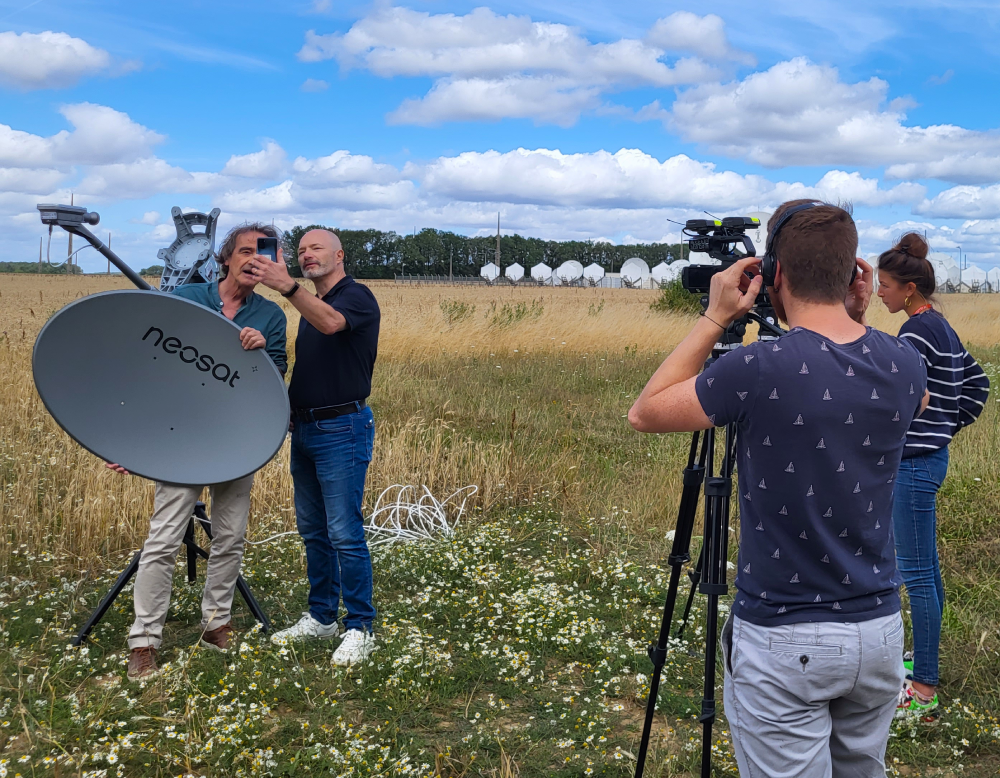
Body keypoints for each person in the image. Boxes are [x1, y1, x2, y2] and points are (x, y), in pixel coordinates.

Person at [629, 200, 930, 777]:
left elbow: (645, 412)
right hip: (879, 629)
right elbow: (897, 392)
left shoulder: (760, 367)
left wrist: (715, 317)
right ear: (854, 275)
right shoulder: (903, 361)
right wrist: (858, 320)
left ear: (775, 275)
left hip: (785, 633)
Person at [111, 223, 288, 681]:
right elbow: (150, 370)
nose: (255, 259)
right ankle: (144, 641)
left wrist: (261, 352)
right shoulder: (188, 301)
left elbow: (274, 385)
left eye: (264, 253)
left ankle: (216, 624)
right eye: (245, 251)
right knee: (164, 538)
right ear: (226, 257)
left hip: (235, 438)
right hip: (181, 436)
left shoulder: (271, 316)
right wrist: (131, 440)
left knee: (229, 536)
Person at [249, 229, 380, 667]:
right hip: (304, 431)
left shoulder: (355, 296)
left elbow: (331, 323)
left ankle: (361, 627)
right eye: (300, 250)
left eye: (315, 248)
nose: (306, 255)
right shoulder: (308, 306)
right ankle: (322, 617)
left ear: (339, 255)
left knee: (344, 531)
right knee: (314, 531)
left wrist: (285, 285)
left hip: (342, 428)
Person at [875, 233, 990, 720]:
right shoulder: (940, 326)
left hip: (914, 465)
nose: (879, 293)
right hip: (930, 459)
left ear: (908, 290)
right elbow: (979, 385)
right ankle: (923, 660)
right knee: (928, 571)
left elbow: (897, 402)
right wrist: (945, 425)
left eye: (884, 285)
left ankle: (923, 687)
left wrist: (927, 428)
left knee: (916, 575)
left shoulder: (914, 335)